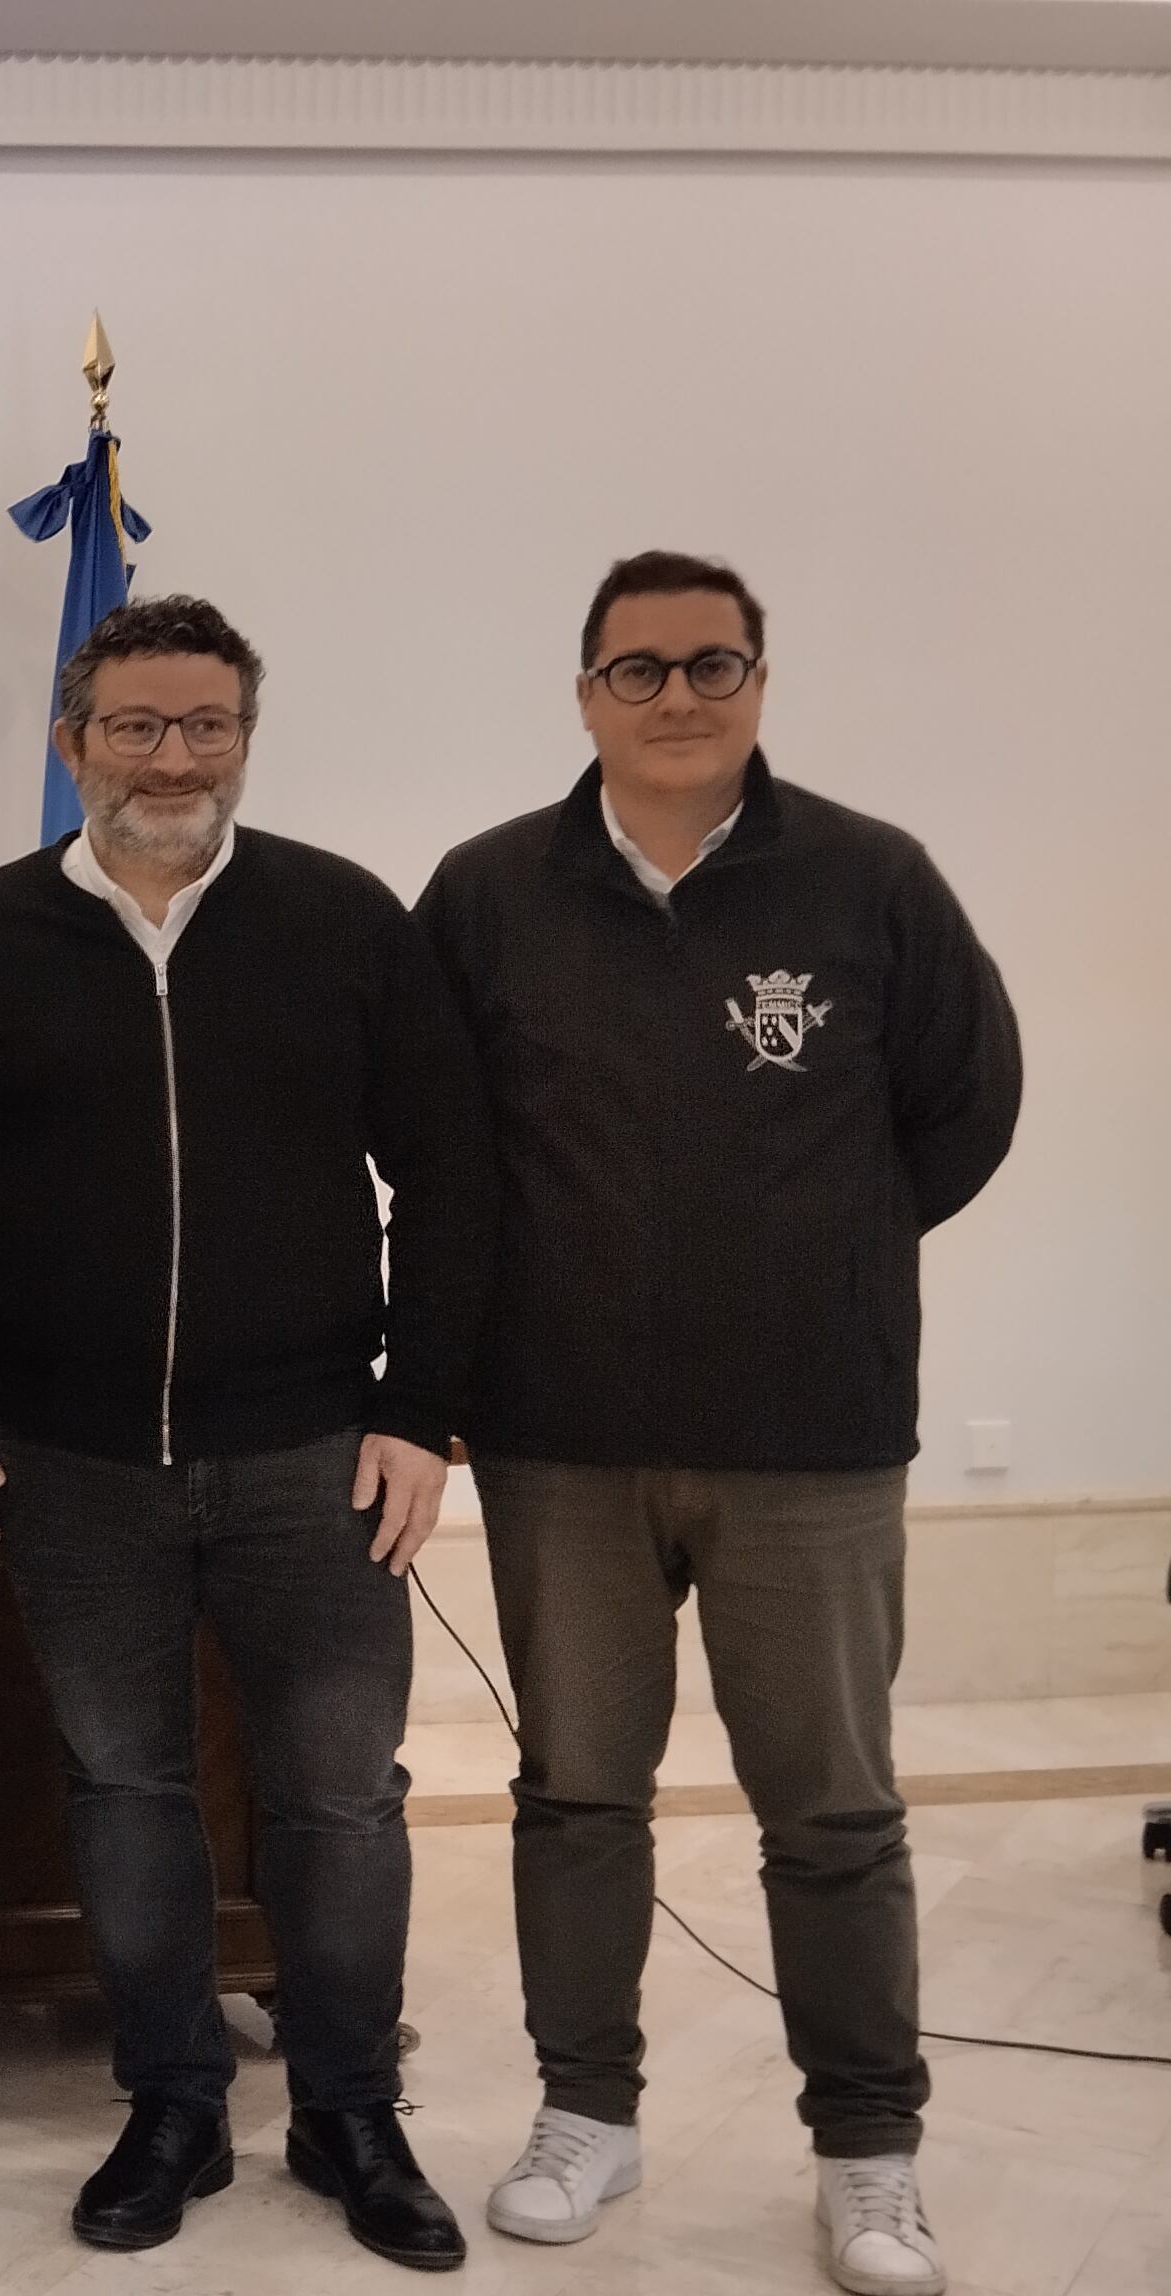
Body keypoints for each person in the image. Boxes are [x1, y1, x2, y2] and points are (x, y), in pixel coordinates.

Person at [0, 593, 493, 2272]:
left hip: (314, 1456)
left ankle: (352, 2109)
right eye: (136, 724)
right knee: (127, 1787)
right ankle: (174, 2105)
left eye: (206, 723)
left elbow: (450, 1173)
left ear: (245, 739)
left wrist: (420, 1409)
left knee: (341, 1796)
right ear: (73, 742)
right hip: (67, 1465)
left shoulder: (344, 921)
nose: (173, 756)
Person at [417, 553, 1018, 2296]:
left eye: (712, 664)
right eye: (639, 669)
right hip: (562, 1437)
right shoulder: (487, 894)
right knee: (578, 1793)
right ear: (583, 690)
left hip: (810, 1436)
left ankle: (870, 2155)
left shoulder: (868, 878)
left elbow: (962, 1109)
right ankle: (583, 2117)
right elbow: (445, 1148)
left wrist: (813, 1251)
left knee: (832, 1810)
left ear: (760, 679)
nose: (676, 696)